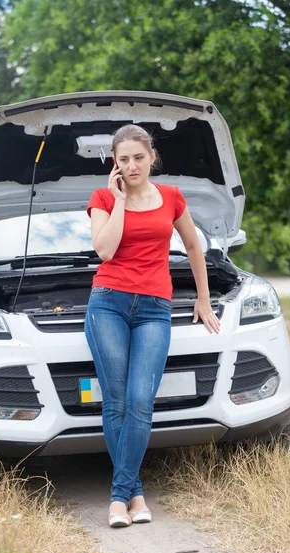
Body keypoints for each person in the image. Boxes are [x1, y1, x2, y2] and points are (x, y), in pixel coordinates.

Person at [84, 124, 221, 528]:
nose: (132, 166)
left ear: (152, 157)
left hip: (155, 309)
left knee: (141, 400)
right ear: (115, 163)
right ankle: (131, 495)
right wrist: (121, 201)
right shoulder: (103, 198)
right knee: (117, 401)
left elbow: (194, 246)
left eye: (138, 158)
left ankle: (120, 495)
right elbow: (105, 250)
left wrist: (203, 297)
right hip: (108, 303)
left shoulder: (173, 197)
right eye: (123, 159)